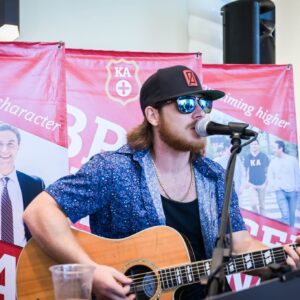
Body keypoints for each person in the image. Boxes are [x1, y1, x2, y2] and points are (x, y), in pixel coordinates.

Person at [23, 66, 300, 300]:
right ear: (153, 115)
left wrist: (285, 257)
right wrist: (91, 271)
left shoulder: (214, 176)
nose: (199, 113)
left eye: (204, 104)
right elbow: (39, 213)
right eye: (186, 104)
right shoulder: (115, 169)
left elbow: (241, 247)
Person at [0, 123, 45, 246]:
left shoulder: (34, 184)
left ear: (17, 147)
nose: (5, 150)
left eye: (10, 144)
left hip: (22, 259)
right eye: (0, 144)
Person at [267, 140, 300, 227]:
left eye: (274, 148)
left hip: (293, 192)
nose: (273, 150)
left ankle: (291, 234)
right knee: (285, 215)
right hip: (280, 192)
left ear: (280, 148)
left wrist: (297, 188)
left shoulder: (292, 160)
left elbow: (297, 174)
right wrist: (276, 186)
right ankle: (287, 236)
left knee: (291, 215)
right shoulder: (273, 162)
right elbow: (269, 176)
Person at [244, 140, 269, 215]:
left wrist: (266, 183)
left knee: (262, 206)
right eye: (252, 144)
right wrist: (246, 182)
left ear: (258, 146)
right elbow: (245, 171)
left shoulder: (263, 156)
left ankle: (263, 222)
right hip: (252, 185)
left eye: (255, 144)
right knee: (253, 204)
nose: (254, 146)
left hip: (262, 184)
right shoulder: (247, 157)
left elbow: (268, 170)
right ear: (250, 146)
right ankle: (257, 218)